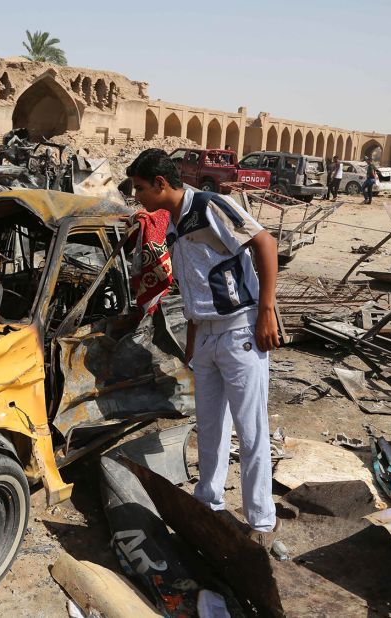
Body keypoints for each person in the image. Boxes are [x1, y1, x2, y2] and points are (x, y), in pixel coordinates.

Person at [126, 148, 282, 551]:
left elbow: (264, 244)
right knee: (210, 427)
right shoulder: (175, 227)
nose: (137, 196)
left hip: (239, 332)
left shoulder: (211, 206)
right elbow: (194, 286)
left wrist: (266, 311)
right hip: (207, 339)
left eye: (140, 188)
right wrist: (192, 347)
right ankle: (208, 503)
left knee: (250, 431)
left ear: (161, 184)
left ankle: (262, 520)